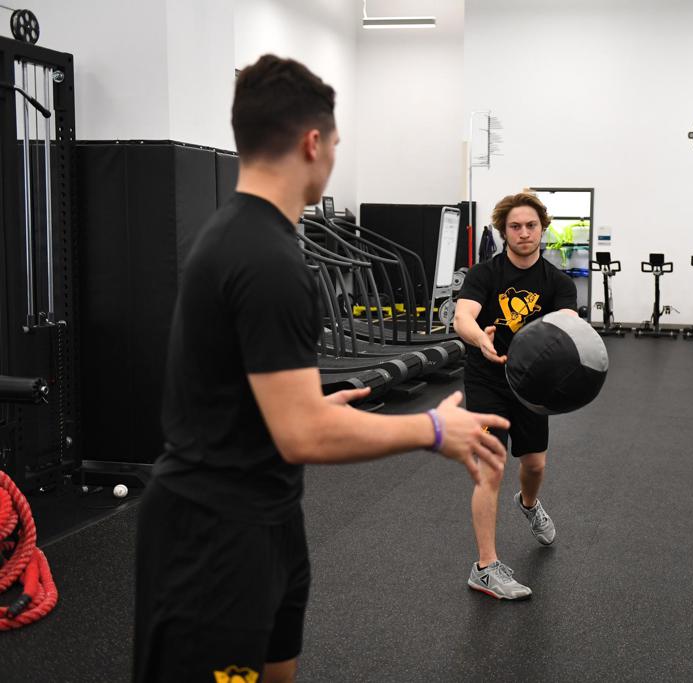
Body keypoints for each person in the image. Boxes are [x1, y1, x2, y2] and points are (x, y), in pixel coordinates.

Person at [132, 55, 509, 683]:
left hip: (270, 513)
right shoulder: (265, 257)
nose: (333, 154)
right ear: (313, 143)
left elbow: (242, 391)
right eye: (335, 143)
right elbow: (301, 434)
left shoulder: (243, 237)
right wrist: (434, 429)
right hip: (214, 534)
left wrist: (301, 409)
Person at [454, 192, 579, 600]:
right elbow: (463, 317)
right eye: (515, 226)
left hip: (531, 384)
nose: (524, 233)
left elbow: (568, 323)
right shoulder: (484, 274)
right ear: (503, 232)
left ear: (542, 229)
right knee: (490, 467)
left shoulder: (558, 282)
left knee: (535, 464)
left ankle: (528, 503)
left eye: (530, 225)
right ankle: (485, 567)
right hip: (486, 379)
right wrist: (480, 339)